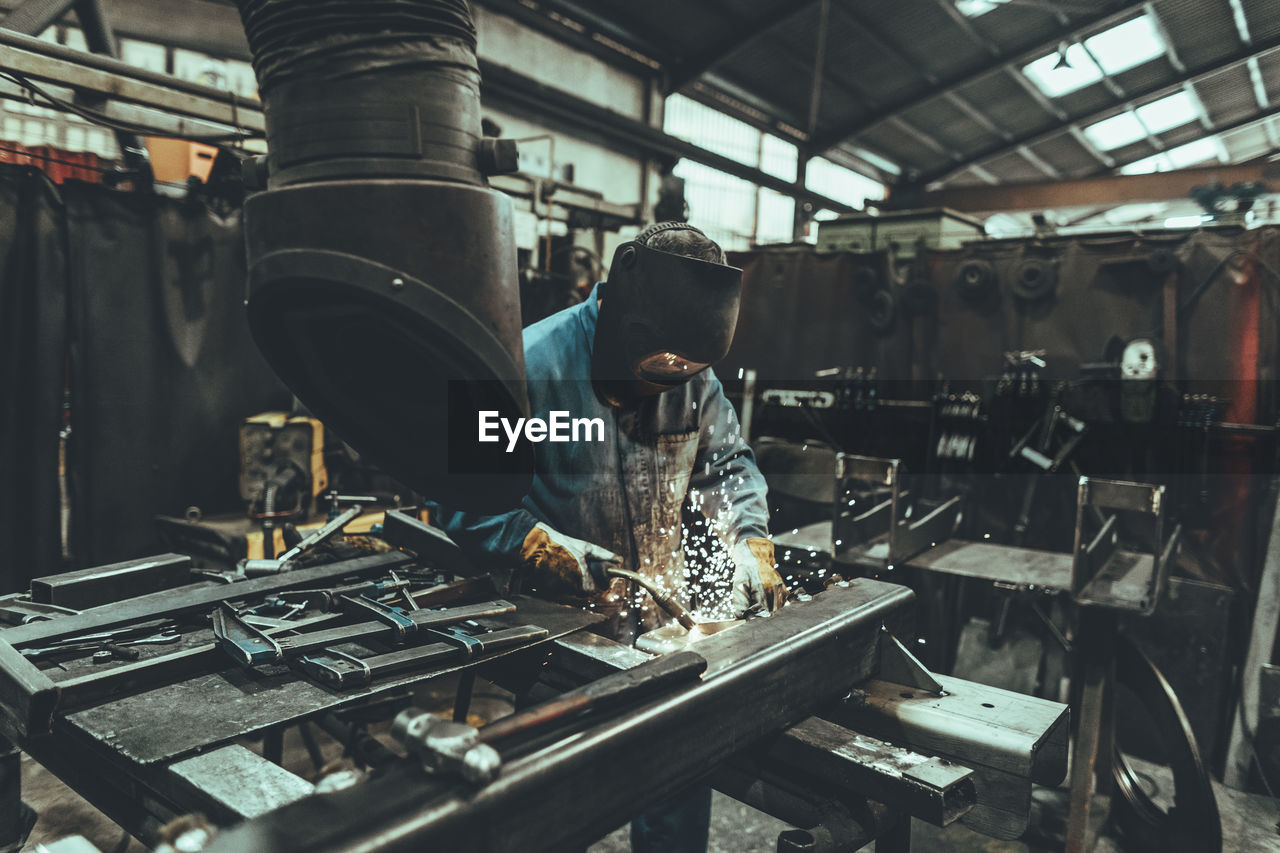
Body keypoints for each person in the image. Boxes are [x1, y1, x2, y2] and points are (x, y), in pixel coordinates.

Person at [431, 221, 786, 853]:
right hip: (557, 637)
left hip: (663, 634)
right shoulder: (529, 367)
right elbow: (461, 502)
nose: (670, 385)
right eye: (659, 369)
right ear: (622, 320)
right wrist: (541, 547)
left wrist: (748, 539)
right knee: (552, 807)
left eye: (686, 370)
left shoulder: (696, 379)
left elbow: (727, 468)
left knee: (677, 774)